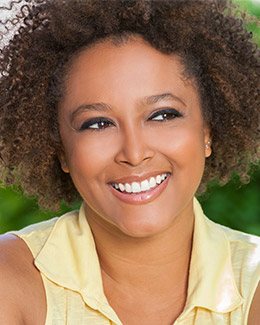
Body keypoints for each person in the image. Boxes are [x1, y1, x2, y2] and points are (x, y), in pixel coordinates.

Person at [0, 0, 260, 324]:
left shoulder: (254, 282)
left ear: (207, 130)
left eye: (163, 115)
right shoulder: (9, 278)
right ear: (61, 150)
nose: (134, 153)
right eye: (98, 123)